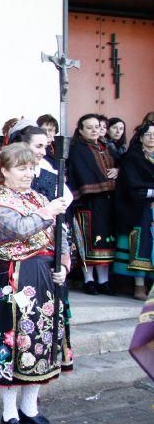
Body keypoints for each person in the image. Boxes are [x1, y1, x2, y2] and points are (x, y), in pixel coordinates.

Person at [0, 143, 72, 424]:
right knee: (10, 343)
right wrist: (48, 212)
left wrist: (64, 263)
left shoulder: (38, 197)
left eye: (31, 168)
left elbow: (60, 234)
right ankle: (9, 414)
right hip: (9, 279)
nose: (28, 174)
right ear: (5, 171)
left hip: (44, 279)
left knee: (41, 341)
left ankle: (31, 408)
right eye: (21, 168)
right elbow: (18, 229)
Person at [68, 113, 118, 295]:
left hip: (107, 201)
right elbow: (81, 173)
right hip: (87, 201)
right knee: (89, 242)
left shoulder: (107, 147)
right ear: (80, 130)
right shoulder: (77, 149)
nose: (94, 130)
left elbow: (120, 165)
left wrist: (118, 171)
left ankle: (104, 281)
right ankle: (89, 280)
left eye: (97, 126)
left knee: (106, 241)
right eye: (89, 127)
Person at [113, 121, 154, 299]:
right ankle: (139, 285)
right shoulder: (133, 157)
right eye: (148, 134)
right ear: (141, 137)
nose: (152, 138)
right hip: (139, 208)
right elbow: (132, 185)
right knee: (142, 243)